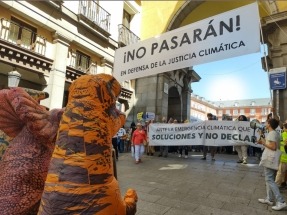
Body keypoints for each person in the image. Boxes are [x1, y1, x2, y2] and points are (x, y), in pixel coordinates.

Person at [257, 118, 287, 211]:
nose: (265, 123)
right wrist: (261, 137)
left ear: (269, 124)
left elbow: (273, 147)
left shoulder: (272, 133)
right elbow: (268, 143)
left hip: (270, 159)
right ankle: (269, 199)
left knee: (269, 179)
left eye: (266, 122)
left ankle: (281, 201)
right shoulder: (274, 133)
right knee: (269, 179)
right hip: (272, 159)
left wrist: (263, 143)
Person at [275, 123, 287, 189]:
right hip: (284, 158)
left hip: (284, 158)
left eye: (283, 128)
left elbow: (285, 143)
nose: (282, 129)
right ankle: (283, 183)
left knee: (280, 172)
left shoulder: (284, 134)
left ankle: (276, 186)